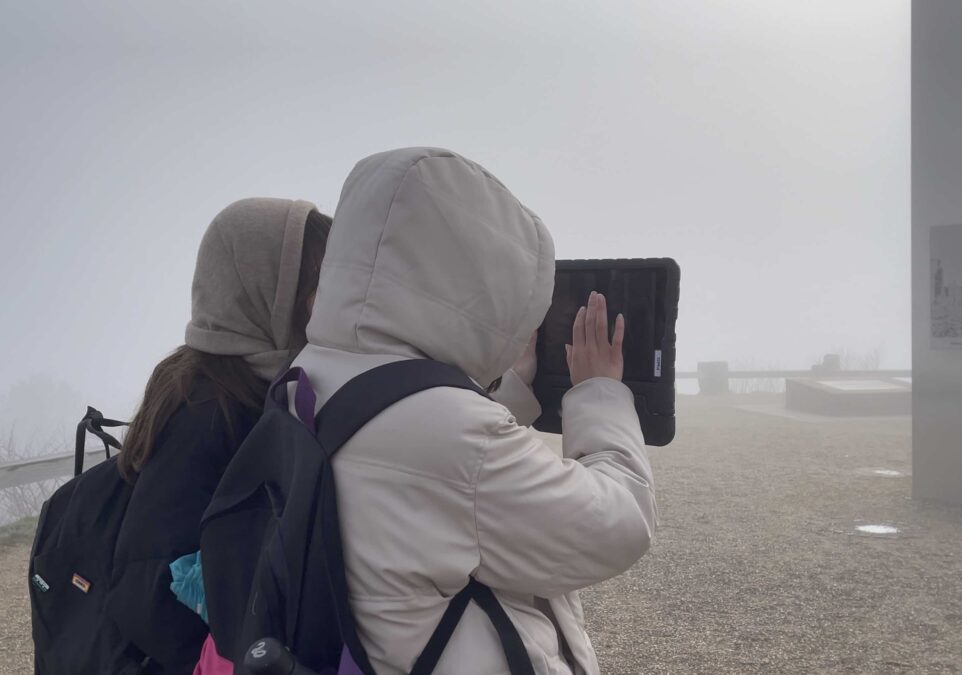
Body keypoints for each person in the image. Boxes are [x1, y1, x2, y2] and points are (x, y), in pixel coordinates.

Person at [291, 147, 656, 674]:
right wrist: (600, 392)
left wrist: (507, 385)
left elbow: (420, 479)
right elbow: (618, 525)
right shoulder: (451, 432)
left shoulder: (314, 371)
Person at [105, 198, 331, 674]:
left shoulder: (261, 382)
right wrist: (239, 655)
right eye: (311, 287)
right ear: (261, 289)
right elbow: (146, 585)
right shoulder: (209, 404)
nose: (324, 303)